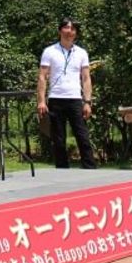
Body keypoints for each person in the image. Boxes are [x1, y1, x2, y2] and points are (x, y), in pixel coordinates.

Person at [36, 18, 96, 169]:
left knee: (83, 137)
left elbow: (86, 78)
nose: (70, 31)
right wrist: (41, 101)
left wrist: (87, 102)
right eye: (67, 28)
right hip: (56, 98)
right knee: (58, 140)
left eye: (73, 29)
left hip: (75, 99)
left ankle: (90, 170)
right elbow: (42, 77)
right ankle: (62, 171)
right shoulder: (49, 51)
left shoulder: (81, 53)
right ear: (60, 31)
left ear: (76, 33)